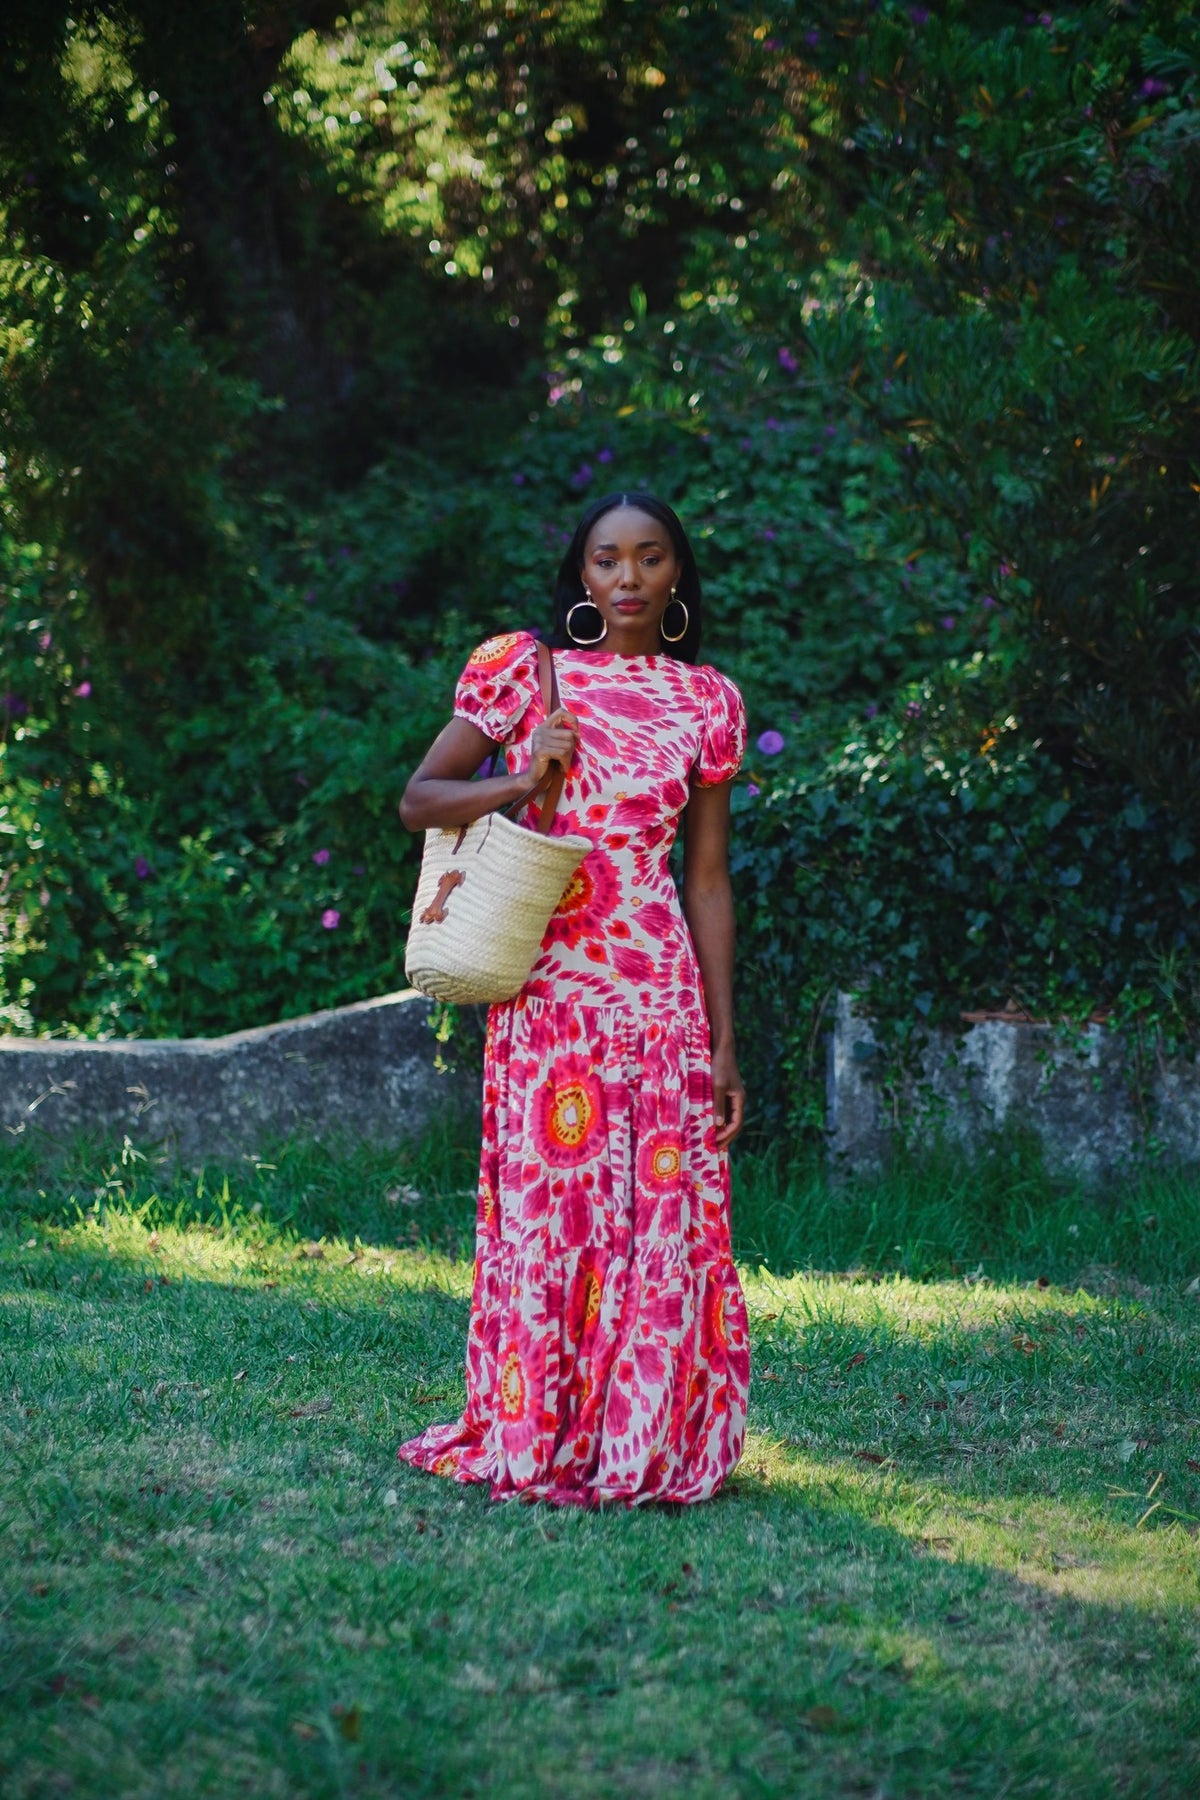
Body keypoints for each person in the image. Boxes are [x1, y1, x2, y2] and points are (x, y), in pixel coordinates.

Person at [396, 490, 750, 1506]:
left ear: (676, 574)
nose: (629, 578)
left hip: (658, 993)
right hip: (548, 985)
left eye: (649, 559)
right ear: (583, 574)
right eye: (607, 560)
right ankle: (540, 1429)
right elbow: (419, 798)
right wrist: (521, 780)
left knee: (659, 1219)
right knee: (558, 1216)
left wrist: (726, 1042)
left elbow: (709, 880)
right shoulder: (525, 672)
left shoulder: (707, 702)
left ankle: (643, 1442)